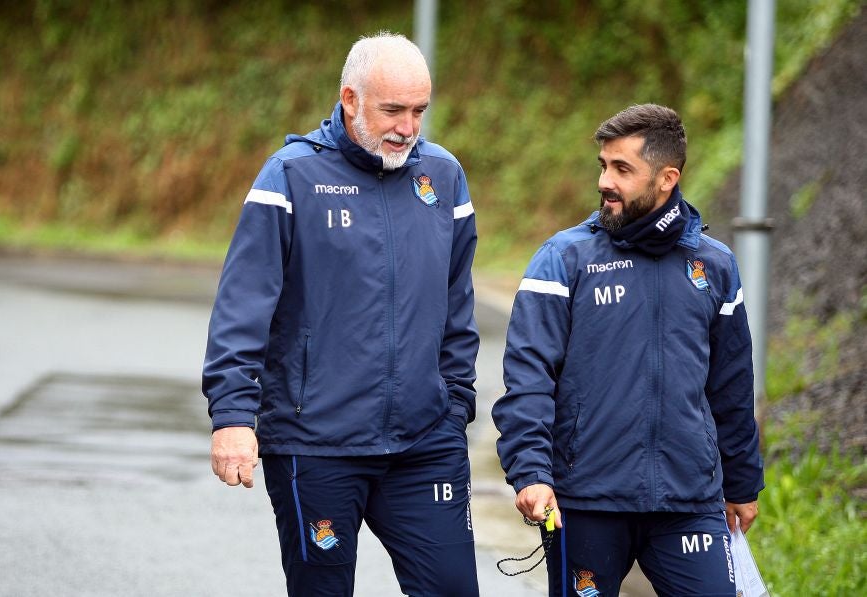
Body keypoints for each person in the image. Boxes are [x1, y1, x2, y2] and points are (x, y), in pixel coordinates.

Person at [202, 32, 480, 597]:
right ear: (350, 100)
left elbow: (457, 300)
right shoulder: (291, 177)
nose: (407, 127)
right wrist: (232, 416)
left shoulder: (443, 177)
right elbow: (243, 304)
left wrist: (456, 403)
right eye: (393, 110)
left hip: (425, 444)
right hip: (316, 443)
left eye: (419, 111)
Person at [492, 104, 764, 597]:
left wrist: (742, 483)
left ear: (666, 178)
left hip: (689, 500)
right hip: (586, 501)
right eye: (603, 165)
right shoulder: (563, 259)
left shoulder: (715, 266)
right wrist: (530, 472)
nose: (605, 181)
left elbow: (731, 385)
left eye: (622, 169)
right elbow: (529, 375)